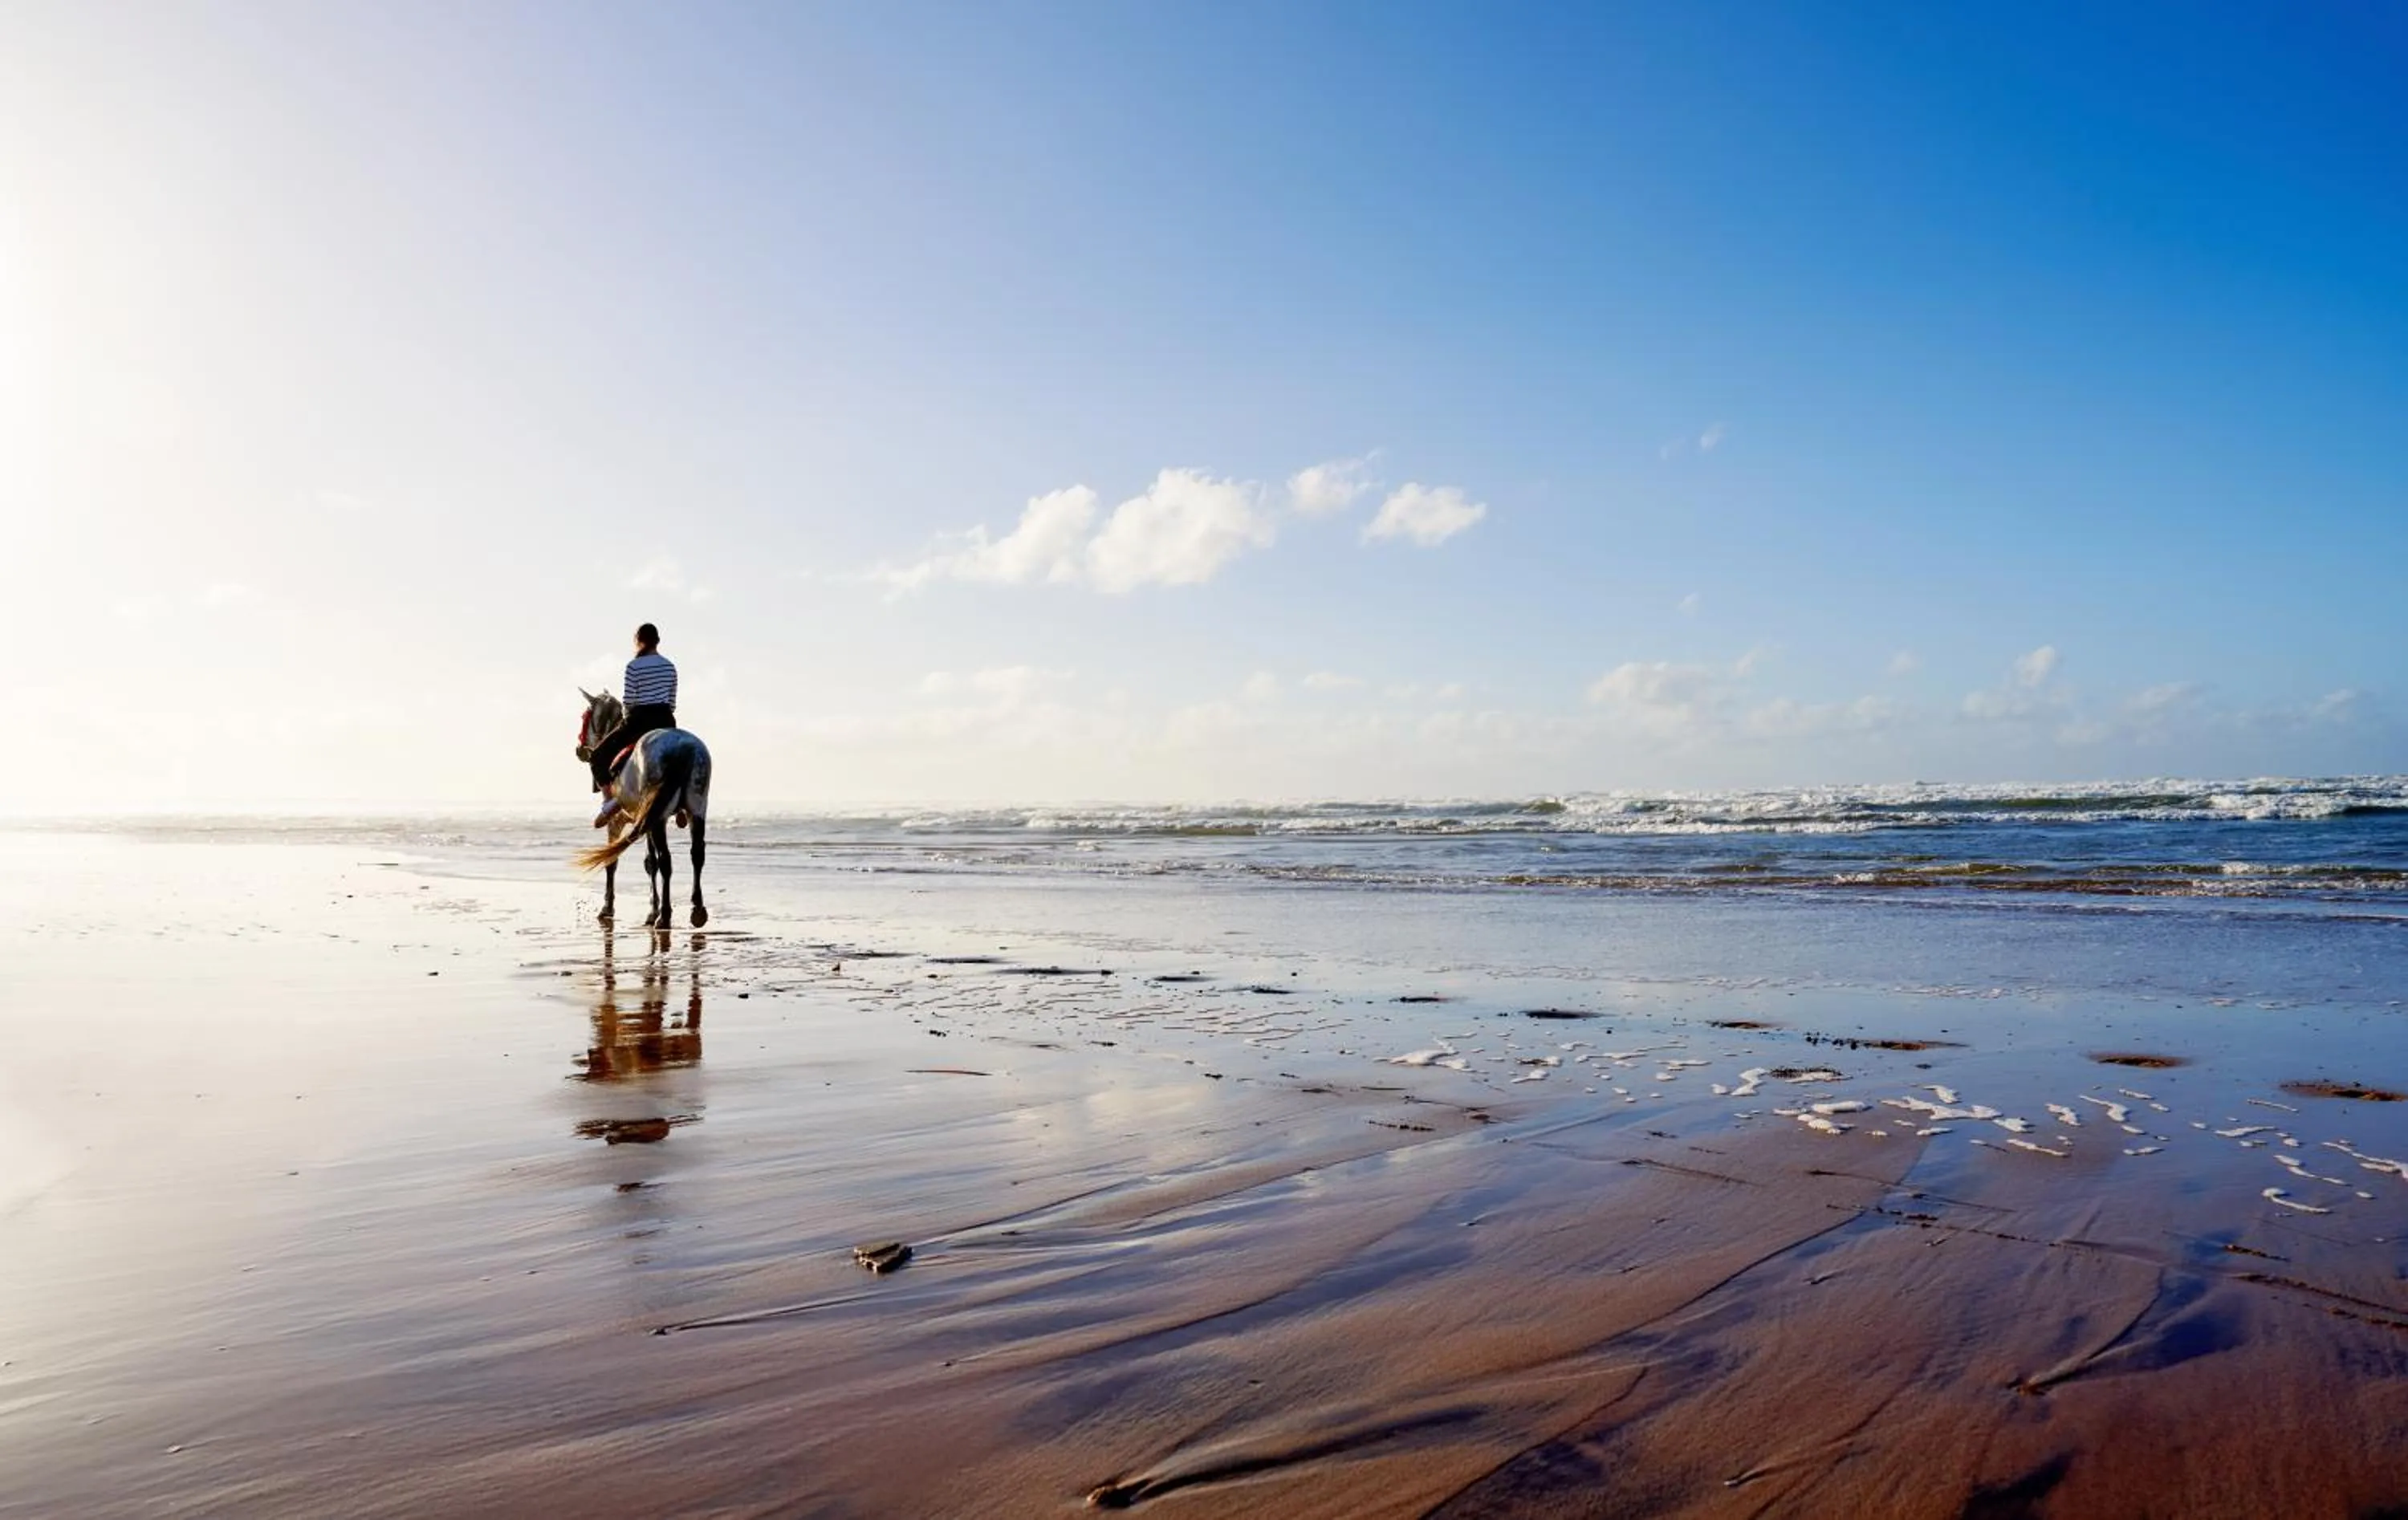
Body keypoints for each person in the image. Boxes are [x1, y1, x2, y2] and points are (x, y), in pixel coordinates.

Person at [590, 623, 678, 826]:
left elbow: (628, 702)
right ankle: (680, 805)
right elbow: (672, 703)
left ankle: (609, 802)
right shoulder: (669, 666)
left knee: (597, 756)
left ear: (638, 640)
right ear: (658, 641)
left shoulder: (634, 666)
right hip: (666, 721)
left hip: (639, 720)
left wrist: (628, 720)